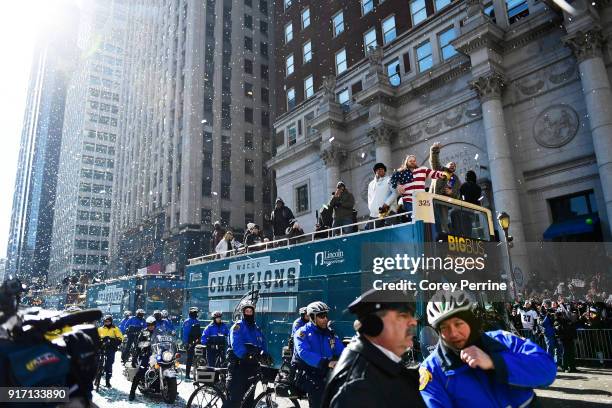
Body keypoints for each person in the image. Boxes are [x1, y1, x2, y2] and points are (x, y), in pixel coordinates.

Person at [419, 290, 557, 407]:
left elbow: (548, 371)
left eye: (458, 323)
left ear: (470, 322)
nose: (453, 333)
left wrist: (495, 362)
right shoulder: (432, 370)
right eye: (444, 327)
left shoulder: (502, 340)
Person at [323, 288, 425, 408]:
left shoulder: (380, 365)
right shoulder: (358, 387)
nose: (413, 322)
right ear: (375, 324)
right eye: (402, 316)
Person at [292, 301, 344, 408]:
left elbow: (341, 350)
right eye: (321, 316)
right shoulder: (302, 333)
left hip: (323, 371)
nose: (325, 319)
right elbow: (304, 353)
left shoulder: (329, 333)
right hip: (306, 372)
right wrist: (326, 362)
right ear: (312, 317)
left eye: (326, 315)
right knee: (319, 396)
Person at [224, 302, 268, 408]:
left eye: (250, 311)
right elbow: (236, 344)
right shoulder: (238, 326)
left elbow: (262, 343)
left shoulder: (256, 329)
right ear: (243, 313)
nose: (249, 313)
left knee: (248, 401)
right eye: (246, 311)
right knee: (234, 400)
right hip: (238, 366)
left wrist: (265, 354)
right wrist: (246, 355)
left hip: (252, 367)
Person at [389, 143, 446, 221]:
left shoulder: (422, 169)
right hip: (408, 200)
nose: (412, 162)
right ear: (406, 162)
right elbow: (391, 180)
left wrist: (442, 174)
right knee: (414, 218)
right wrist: (398, 186)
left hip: (421, 200)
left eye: (414, 160)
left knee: (425, 219)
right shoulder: (401, 172)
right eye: (410, 161)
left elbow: (433, 173)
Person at [129, 316, 156, 401]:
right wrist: (135, 357)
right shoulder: (143, 332)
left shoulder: (159, 332)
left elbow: (166, 340)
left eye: (152, 324)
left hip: (157, 354)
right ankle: (132, 391)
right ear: (147, 324)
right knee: (141, 370)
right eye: (149, 324)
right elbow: (138, 344)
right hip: (146, 354)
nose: (151, 326)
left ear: (155, 324)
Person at [367, 162, 397, 229]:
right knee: (373, 235)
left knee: (391, 232)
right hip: (374, 214)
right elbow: (369, 198)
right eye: (378, 169)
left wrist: (386, 203)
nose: (380, 170)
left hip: (388, 211)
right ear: (375, 171)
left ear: (384, 171)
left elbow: (395, 193)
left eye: (382, 169)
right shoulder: (371, 184)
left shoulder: (389, 179)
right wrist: (371, 208)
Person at [97, 315, 123, 388]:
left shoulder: (115, 329)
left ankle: (108, 380)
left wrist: (113, 340)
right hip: (101, 346)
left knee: (109, 363)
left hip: (111, 347)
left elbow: (120, 337)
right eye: (105, 321)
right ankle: (96, 374)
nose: (107, 323)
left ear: (111, 321)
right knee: (96, 360)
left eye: (108, 321)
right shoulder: (100, 329)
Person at [182, 306, 202, 380]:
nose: (196, 314)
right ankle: (187, 374)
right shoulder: (187, 321)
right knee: (189, 359)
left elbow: (199, 332)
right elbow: (185, 333)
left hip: (197, 342)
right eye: (195, 313)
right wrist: (186, 343)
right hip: (190, 342)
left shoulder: (197, 321)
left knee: (198, 359)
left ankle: (197, 375)